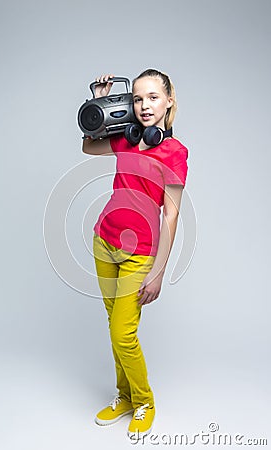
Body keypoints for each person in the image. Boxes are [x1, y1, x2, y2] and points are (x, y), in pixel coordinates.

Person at [82, 69, 189, 440]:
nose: (144, 106)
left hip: (139, 254)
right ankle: (124, 397)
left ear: (169, 101)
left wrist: (158, 272)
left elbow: (171, 212)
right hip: (104, 242)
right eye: (138, 98)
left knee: (122, 333)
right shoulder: (125, 140)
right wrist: (98, 102)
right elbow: (87, 145)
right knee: (115, 329)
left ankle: (144, 401)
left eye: (153, 98)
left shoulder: (175, 153)